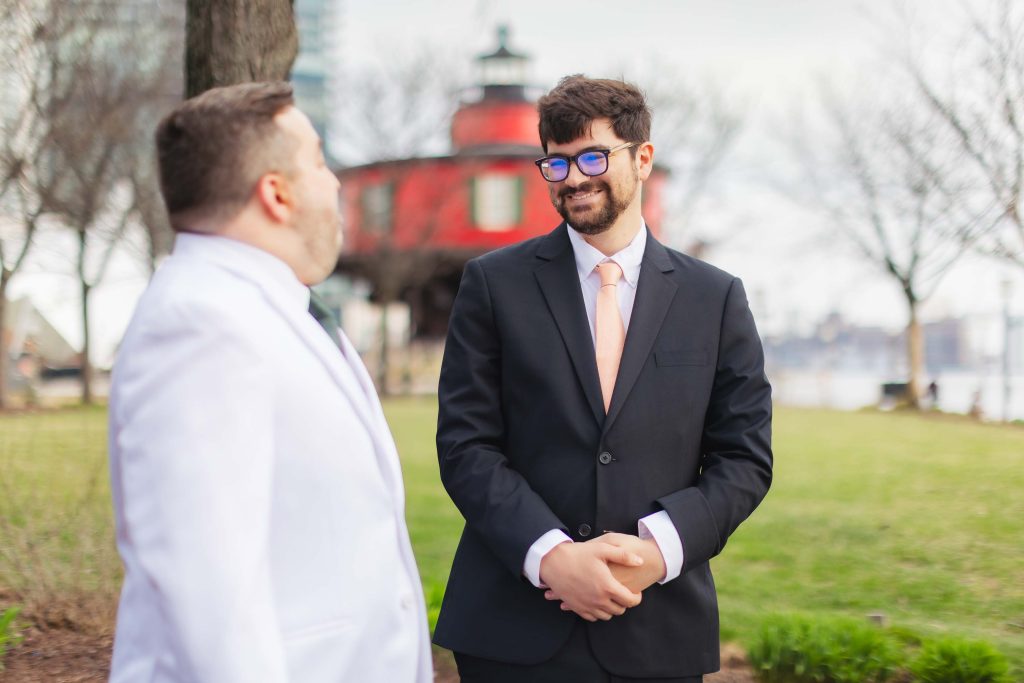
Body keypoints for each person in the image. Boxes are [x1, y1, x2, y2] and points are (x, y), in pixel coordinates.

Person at [434, 75, 773, 682]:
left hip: (656, 625)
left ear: (643, 159)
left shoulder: (715, 298)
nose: (573, 178)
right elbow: (466, 445)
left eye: (593, 156)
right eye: (556, 164)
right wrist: (551, 556)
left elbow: (744, 459)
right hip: (512, 624)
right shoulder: (492, 285)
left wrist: (656, 550)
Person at [107, 82, 431, 682]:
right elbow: (207, 592)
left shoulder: (272, 308)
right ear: (276, 194)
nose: (335, 183)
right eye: (317, 161)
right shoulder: (200, 323)